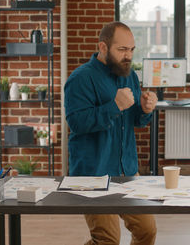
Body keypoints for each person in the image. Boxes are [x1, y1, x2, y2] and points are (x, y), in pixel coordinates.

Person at [64, 21, 158, 245]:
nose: (128, 56)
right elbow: (77, 123)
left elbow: (135, 119)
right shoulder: (80, 79)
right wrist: (114, 106)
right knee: (107, 240)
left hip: (126, 173)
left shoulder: (129, 75)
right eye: (122, 50)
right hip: (93, 175)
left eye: (131, 50)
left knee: (147, 231)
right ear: (103, 48)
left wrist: (145, 109)